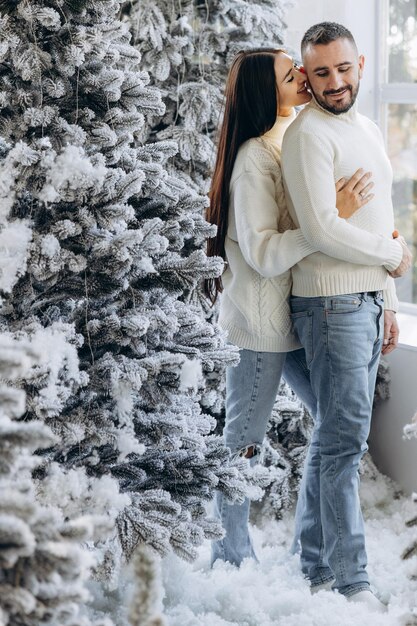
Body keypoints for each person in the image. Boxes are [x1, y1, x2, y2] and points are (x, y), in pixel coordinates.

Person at [204, 48, 403, 570]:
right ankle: (230, 558)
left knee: (332, 426)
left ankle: (306, 549)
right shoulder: (254, 158)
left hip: (293, 317)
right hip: (259, 326)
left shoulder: (288, 142)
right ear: (266, 94)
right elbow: (265, 254)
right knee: (242, 443)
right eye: (291, 76)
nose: (305, 80)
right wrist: (328, 217)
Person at [281, 22, 412, 611]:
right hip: (330, 305)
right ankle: (349, 578)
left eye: (344, 68)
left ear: (360, 64)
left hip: (361, 302)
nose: (335, 82)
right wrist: (390, 257)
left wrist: (383, 300)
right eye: (321, 73)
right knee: (341, 446)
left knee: (332, 441)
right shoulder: (309, 135)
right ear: (306, 77)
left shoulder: (363, 127)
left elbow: (375, 216)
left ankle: (313, 563)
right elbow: (319, 229)